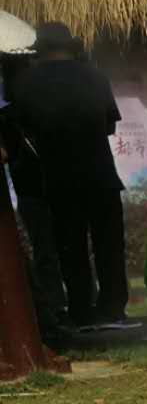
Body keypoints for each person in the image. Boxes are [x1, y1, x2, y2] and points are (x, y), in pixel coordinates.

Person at [10, 23, 134, 332]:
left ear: (40, 48)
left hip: (58, 178)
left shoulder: (25, 83)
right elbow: (109, 125)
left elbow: (23, 130)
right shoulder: (95, 76)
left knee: (71, 247)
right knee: (108, 246)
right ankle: (113, 309)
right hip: (101, 175)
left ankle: (81, 310)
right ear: (71, 45)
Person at [1, 57, 69, 344]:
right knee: (53, 250)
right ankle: (54, 313)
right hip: (43, 187)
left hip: (36, 188)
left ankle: (52, 313)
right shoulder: (24, 112)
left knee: (46, 252)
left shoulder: (14, 114)